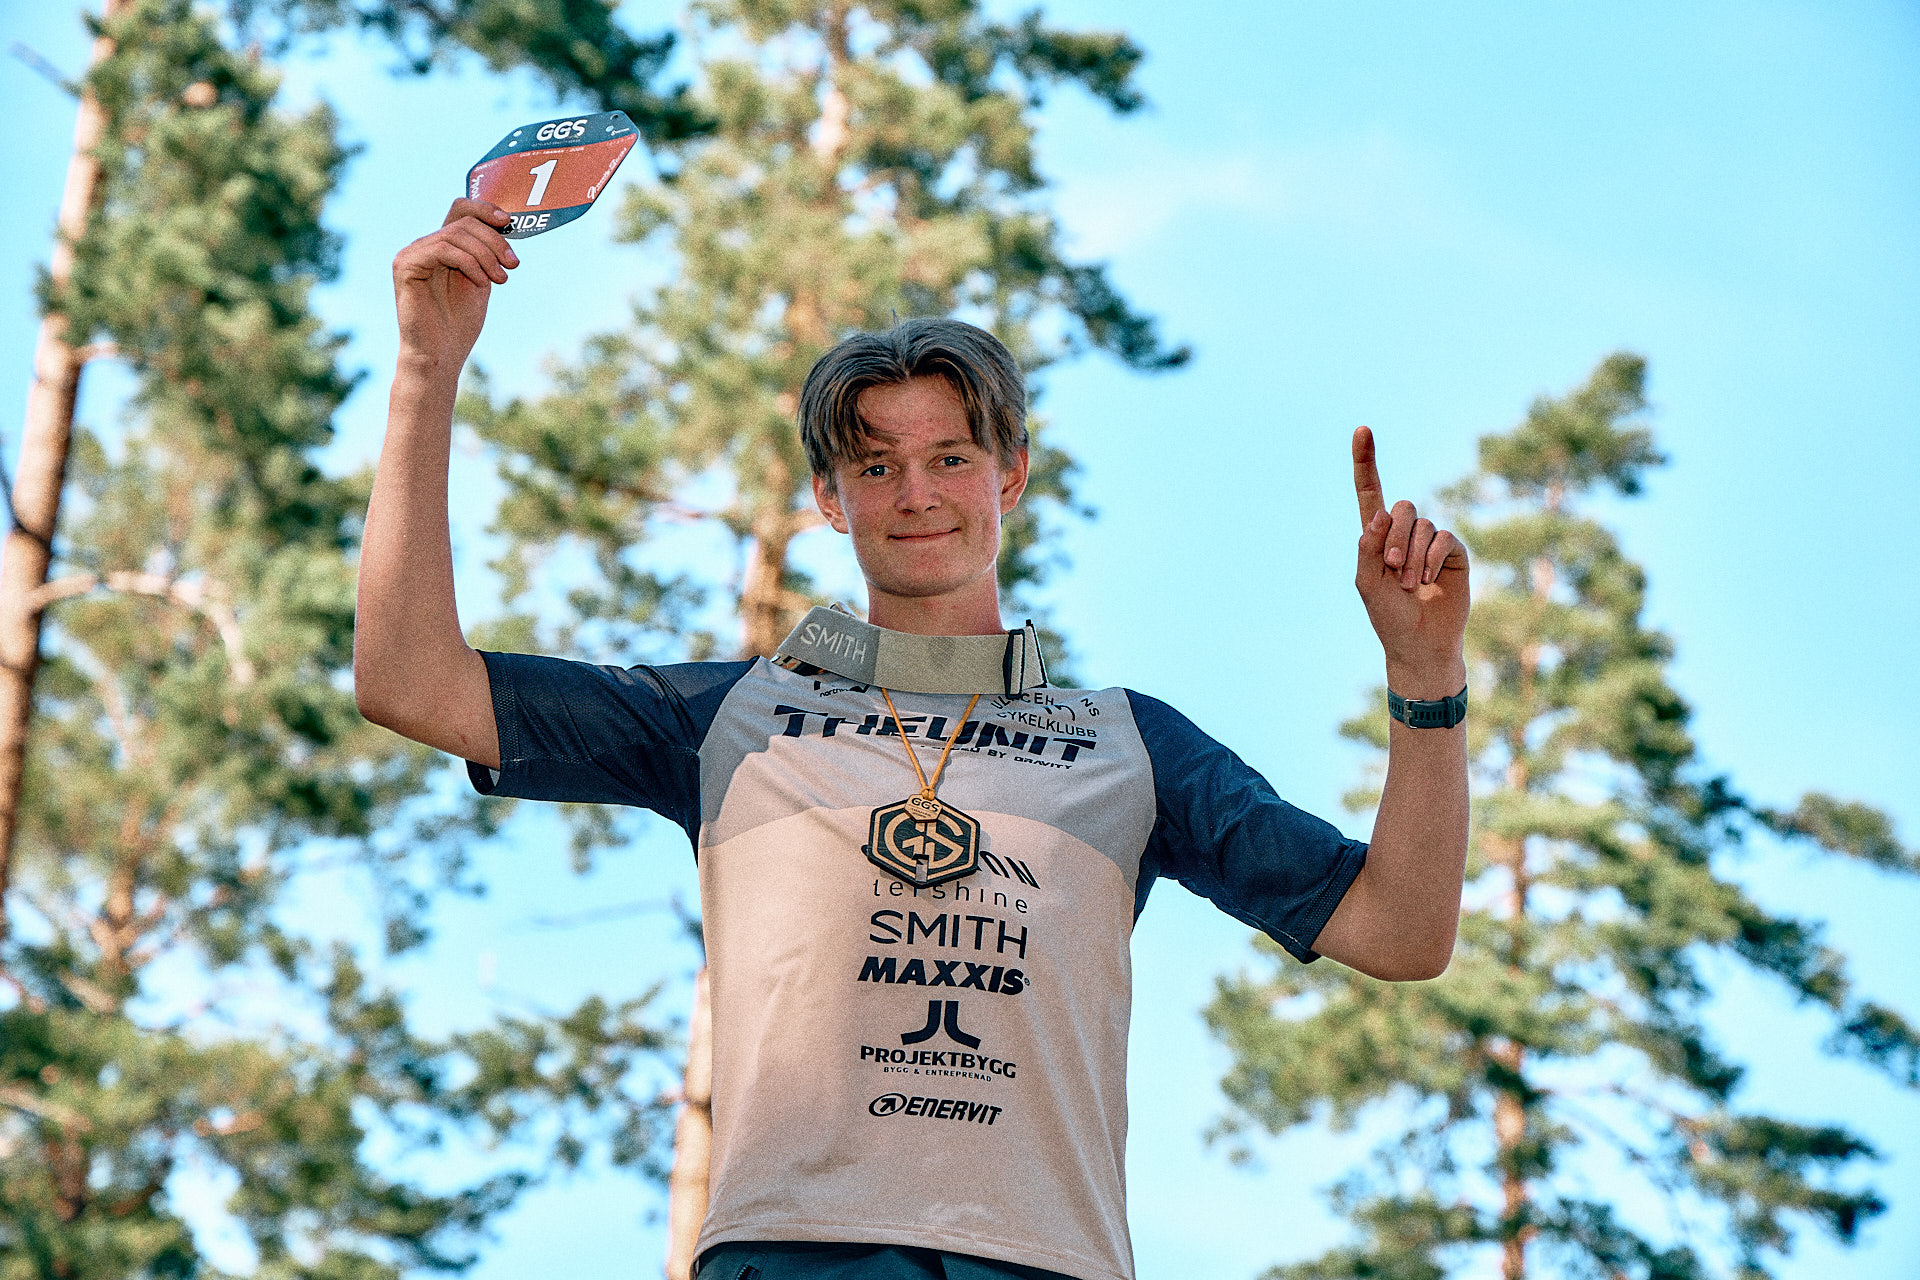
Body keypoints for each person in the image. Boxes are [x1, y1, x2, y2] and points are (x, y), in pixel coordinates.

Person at [355, 200, 1471, 1280]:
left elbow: (1403, 930)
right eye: (877, 465)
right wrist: (425, 371)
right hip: (791, 1254)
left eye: (951, 458)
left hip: (1047, 1264)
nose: (916, 494)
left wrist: (1426, 677)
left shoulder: (1131, 745)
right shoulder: (726, 717)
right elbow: (410, 682)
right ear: (828, 496)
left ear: (1011, 475)